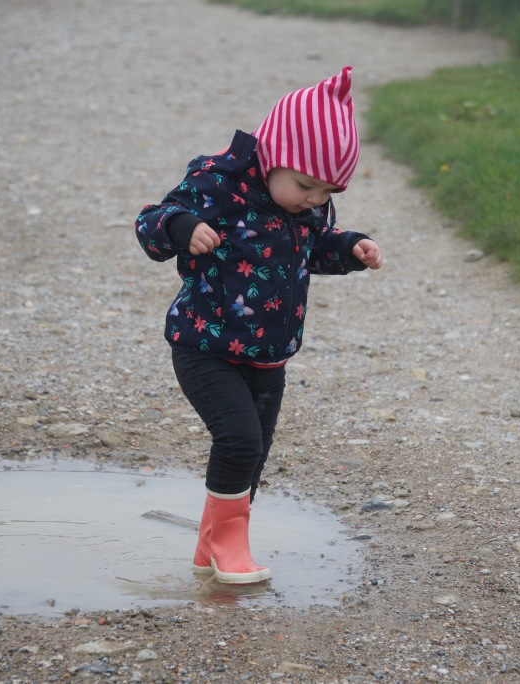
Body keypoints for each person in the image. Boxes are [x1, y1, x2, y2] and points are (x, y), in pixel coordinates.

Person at [134, 66, 383, 585]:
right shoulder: (217, 185)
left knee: (253, 458)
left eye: (327, 191)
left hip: (270, 357)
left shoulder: (308, 204)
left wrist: (349, 248)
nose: (314, 198)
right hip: (206, 346)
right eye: (305, 185)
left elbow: (313, 247)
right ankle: (231, 547)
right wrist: (182, 227)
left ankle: (211, 548)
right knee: (239, 441)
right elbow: (151, 221)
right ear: (272, 155)